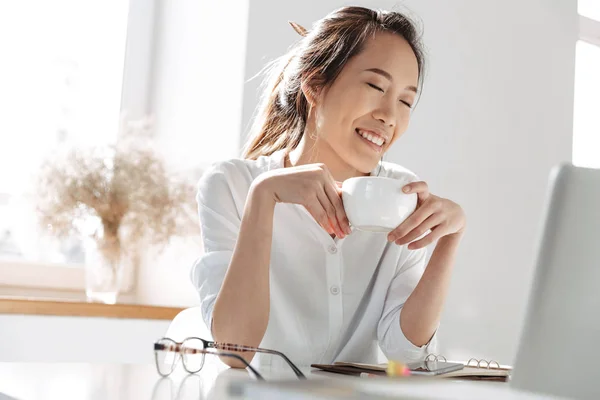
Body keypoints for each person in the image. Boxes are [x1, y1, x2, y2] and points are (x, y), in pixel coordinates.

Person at [191, 6, 466, 369]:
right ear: (315, 85)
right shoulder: (233, 186)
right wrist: (264, 198)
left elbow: (406, 351)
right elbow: (234, 350)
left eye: (405, 101)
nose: (389, 115)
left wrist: (449, 240)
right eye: (375, 86)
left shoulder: (402, 196)